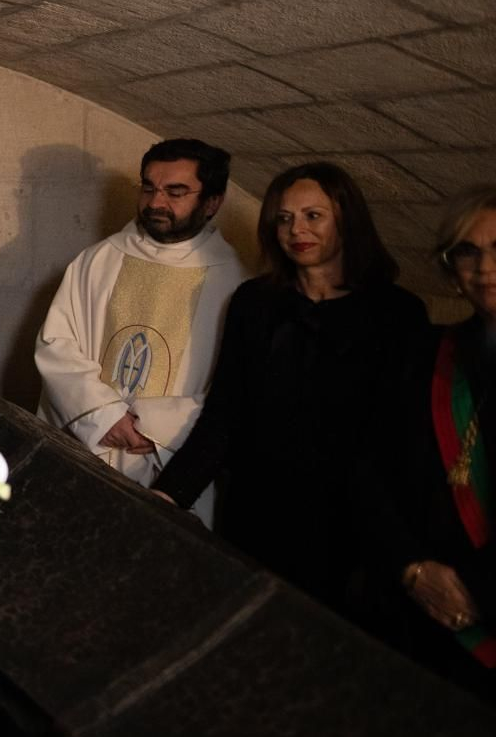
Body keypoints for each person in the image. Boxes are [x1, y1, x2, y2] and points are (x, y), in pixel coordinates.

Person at [154, 162, 427, 614]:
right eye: (284, 218)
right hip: (258, 515)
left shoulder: (398, 315)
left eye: (313, 216)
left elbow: (405, 442)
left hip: (353, 528)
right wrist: (167, 496)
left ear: (347, 219)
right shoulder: (254, 303)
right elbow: (225, 414)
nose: (296, 229)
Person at [36, 138, 246, 523]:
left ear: (213, 201)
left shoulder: (234, 282)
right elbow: (56, 344)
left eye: (175, 192)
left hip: (169, 462)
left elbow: (234, 393)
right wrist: (103, 415)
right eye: (148, 187)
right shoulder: (99, 260)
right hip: (91, 445)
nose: (155, 202)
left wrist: (155, 426)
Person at [369, 186, 495, 703]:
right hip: (422, 619)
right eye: (468, 251)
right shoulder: (425, 353)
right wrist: (413, 568)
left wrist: (472, 590)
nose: (485, 268)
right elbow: (373, 470)